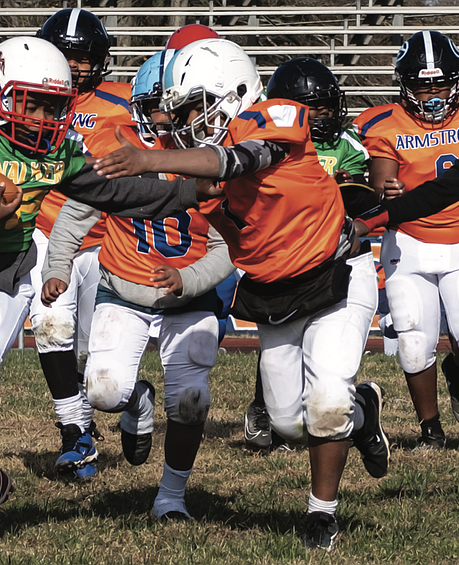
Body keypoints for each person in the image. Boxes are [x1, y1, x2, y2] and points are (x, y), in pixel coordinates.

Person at [0, 35, 214, 544]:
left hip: (2, 275)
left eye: (53, 106)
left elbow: (116, 193)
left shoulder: (59, 151)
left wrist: (188, 189)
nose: (42, 118)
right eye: (31, 102)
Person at [92, 38, 390, 551]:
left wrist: (150, 156)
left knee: (324, 403)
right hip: (277, 288)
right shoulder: (206, 170)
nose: (184, 119)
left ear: (230, 93)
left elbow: (242, 158)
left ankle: (321, 514)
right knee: (288, 425)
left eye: (192, 106)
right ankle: (363, 411)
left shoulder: (272, 119)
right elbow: (177, 197)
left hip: (337, 271)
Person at [42, 47, 235, 521]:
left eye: (180, 111)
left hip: (189, 297)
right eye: (159, 110)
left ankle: (170, 498)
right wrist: (57, 268)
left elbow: (230, 247)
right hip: (123, 289)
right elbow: (75, 212)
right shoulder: (117, 150)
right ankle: (138, 400)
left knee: (191, 401)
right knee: (105, 391)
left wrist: (187, 279)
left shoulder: (215, 162)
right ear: (139, 110)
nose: (168, 122)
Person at [353, 58, 459, 509]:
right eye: (423, 87)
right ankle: (431, 428)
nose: (432, 95)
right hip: (412, 237)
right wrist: (380, 203)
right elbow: (409, 186)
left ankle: (457, 370)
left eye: (441, 84)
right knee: (413, 337)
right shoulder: (386, 123)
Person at [242, 57, 375, 452]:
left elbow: (357, 196)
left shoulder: (345, 145)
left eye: (327, 107)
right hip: (282, 255)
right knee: (280, 340)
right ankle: (268, 405)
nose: (324, 116)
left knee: (323, 352)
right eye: (313, 108)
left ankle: (344, 406)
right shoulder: (264, 145)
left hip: (331, 253)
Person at [31, 8, 134, 480]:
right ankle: (75, 433)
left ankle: (128, 403)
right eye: (66, 56)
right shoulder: (31, 97)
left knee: (97, 357)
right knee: (50, 325)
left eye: (84, 57)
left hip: (104, 236)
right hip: (48, 228)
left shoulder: (122, 103)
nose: (74, 67)